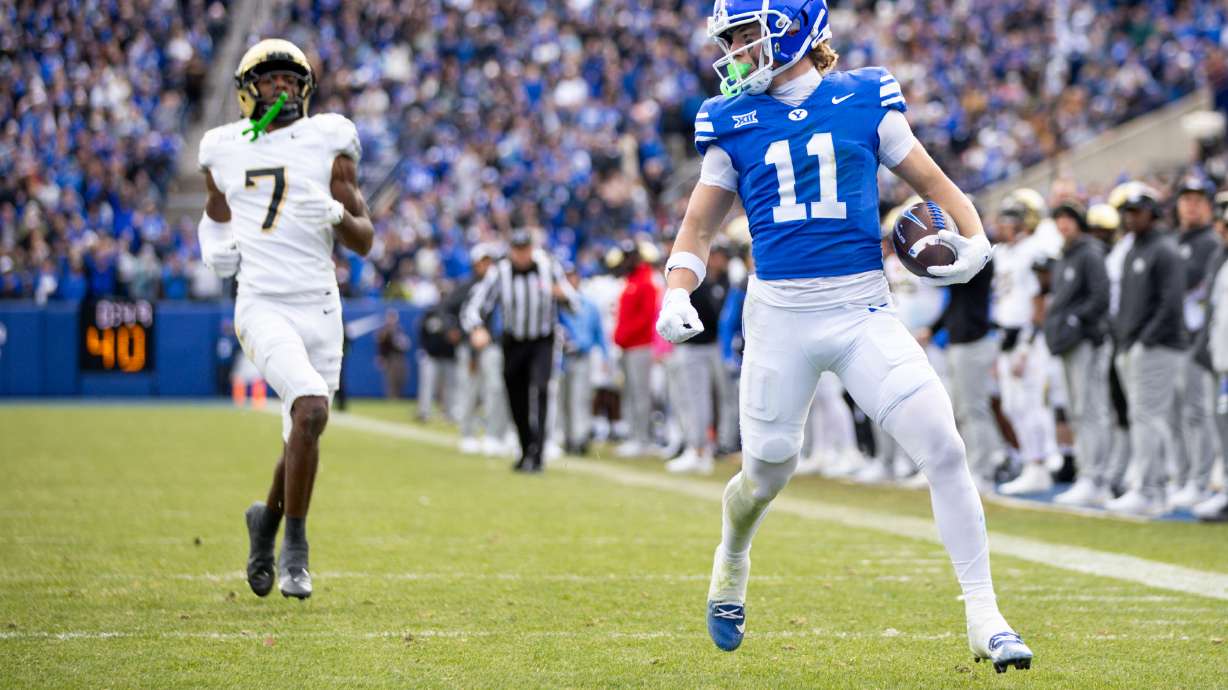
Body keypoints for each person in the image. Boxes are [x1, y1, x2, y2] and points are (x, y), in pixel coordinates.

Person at [655, 0, 1031, 671]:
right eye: (730, 39)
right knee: (765, 474)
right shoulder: (729, 117)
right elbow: (699, 229)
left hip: (863, 310)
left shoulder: (866, 97)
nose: (734, 53)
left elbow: (939, 184)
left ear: (792, 33)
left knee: (944, 446)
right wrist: (676, 287)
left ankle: (985, 613)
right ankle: (733, 553)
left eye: (745, 36)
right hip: (780, 318)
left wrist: (975, 244)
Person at [197, 39, 374, 599]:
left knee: (304, 427)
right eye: (272, 80)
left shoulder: (327, 141)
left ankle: (265, 523)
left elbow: (365, 240)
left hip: (320, 305)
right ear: (249, 91)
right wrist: (216, 245)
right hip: (263, 303)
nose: (283, 89)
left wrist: (339, 214)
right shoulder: (223, 148)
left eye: (292, 81)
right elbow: (214, 214)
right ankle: (295, 546)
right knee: (312, 407)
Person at [462, 229, 580, 472]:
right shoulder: (500, 272)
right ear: (512, 251)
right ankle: (526, 447)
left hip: (543, 341)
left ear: (532, 248)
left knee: (542, 389)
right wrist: (477, 328)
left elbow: (573, 301)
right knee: (516, 396)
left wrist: (562, 295)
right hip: (514, 341)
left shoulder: (548, 266)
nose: (523, 255)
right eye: (518, 250)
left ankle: (538, 452)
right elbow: (475, 306)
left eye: (526, 249)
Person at [1107, 183, 1186, 517]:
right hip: (1131, 344)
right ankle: (1152, 485)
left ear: (1152, 213)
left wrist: (1144, 340)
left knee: (1148, 417)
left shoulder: (1163, 250)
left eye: (1136, 212)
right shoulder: (1133, 250)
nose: (1130, 218)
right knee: (1144, 416)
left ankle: (1150, 490)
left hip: (1156, 346)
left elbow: (1171, 303)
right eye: (1126, 212)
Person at [1042, 201, 1112, 507]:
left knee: (1090, 409)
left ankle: (1097, 478)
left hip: (1085, 341)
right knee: (1076, 410)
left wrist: (1076, 321)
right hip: (1067, 343)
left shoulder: (1089, 253)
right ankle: (1088, 474)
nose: (1063, 225)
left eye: (1068, 219)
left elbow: (1100, 296)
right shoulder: (1065, 256)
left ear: (1079, 222)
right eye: (1059, 220)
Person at [994, 190, 1060, 496]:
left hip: (1027, 336)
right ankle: (1031, 461)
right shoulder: (1005, 252)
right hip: (1007, 333)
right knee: (1011, 405)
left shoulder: (1035, 250)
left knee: (1031, 403)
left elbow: (1039, 299)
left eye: (1011, 218)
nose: (1003, 224)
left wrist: (1026, 343)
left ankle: (1040, 465)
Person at [1168, 175, 1221, 509]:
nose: (1190, 205)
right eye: (1185, 198)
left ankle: (1200, 481)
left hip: (1198, 338)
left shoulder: (1212, 242)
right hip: (1174, 338)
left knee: (1197, 412)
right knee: (1177, 412)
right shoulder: (1176, 240)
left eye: (1198, 199)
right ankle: (1186, 475)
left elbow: (1193, 286)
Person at [667, 240, 732, 475]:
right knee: (696, 399)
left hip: (713, 346)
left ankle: (710, 448)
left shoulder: (724, 282)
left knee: (715, 399)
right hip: (694, 346)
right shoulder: (698, 280)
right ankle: (698, 448)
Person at [448, 244, 511, 456]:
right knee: (470, 390)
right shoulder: (468, 287)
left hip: (496, 345)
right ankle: (467, 434)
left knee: (496, 390)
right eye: (483, 261)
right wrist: (462, 332)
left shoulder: (503, 284)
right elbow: (450, 311)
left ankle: (496, 435)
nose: (487, 266)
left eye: (490, 261)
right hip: (471, 347)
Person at [611, 240, 660, 457]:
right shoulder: (631, 280)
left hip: (639, 346)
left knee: (640, 394)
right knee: (630, 392)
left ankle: (642, 439)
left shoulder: (646, 282)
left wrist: (624, 336)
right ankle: (633, 435)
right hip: (628, 346)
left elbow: (645, 318)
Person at [557, 263, 609, 455]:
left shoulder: (590, 305)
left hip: (582, 356)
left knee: (580, 398)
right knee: (564, 399)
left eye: (573, 276)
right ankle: (568, 437)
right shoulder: (558, 304)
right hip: (562, 358)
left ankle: (580, 438)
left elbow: (599, 334)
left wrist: (605, 357)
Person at [375, 309, 410, 400]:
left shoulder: (399, 329)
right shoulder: (384, 330)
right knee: (391, 379)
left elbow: (404, 343)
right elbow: (380, 344)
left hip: (400, 356)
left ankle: (398, 396)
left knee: (401, 378)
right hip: (390, 357)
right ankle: (391, 397)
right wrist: (381, 357)